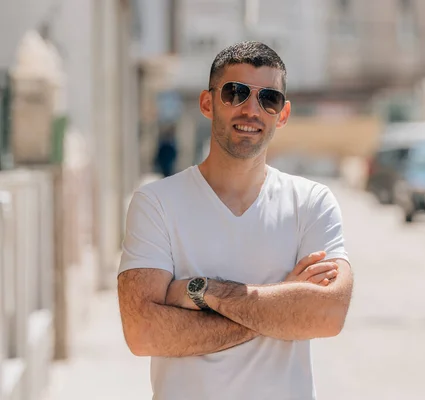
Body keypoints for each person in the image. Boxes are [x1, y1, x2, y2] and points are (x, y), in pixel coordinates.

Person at [117, 41, 354, 400]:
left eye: (268, 99)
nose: (251, 109)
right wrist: (283, 305)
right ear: (207, 103)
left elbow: (328, 315)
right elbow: (143, 332)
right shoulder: (156, 203)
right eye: (235, 93)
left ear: (283, 114)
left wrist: (203, 291)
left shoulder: (311, 203)